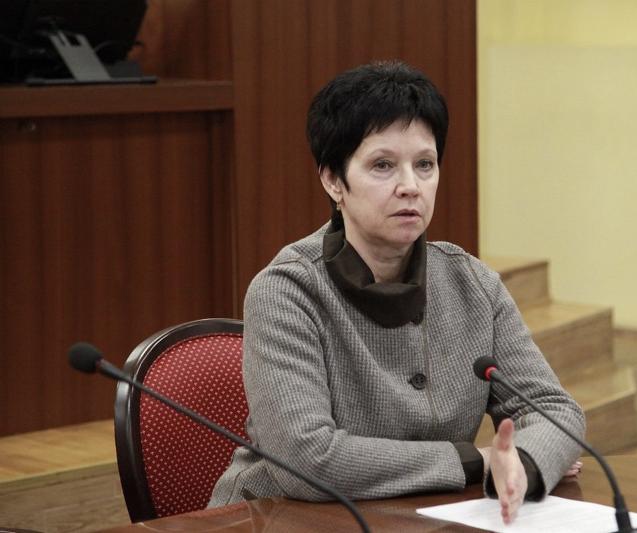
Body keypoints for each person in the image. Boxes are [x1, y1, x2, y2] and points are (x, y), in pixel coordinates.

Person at [209, 61, 585, 525]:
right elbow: (307, 460)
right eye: (383, 165)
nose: (410, 187)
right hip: (280, 519)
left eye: (425, 164)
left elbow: (555, 411)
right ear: (333, 180)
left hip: (421, 518)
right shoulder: (287, 291)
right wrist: (474, 461)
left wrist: (520, 462)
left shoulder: (474, 284)